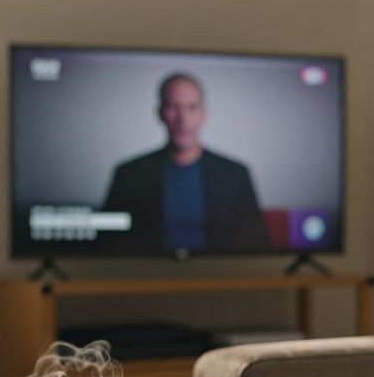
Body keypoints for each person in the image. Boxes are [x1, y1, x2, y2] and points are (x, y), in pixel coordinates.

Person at [101, 72, 268, 253]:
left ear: (203, 114)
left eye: (192, 107)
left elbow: (257, 244)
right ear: (160, 113)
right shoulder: (129, 175)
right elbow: (107, 245)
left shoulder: (236, 175)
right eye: (173, 107)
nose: (182, 119)